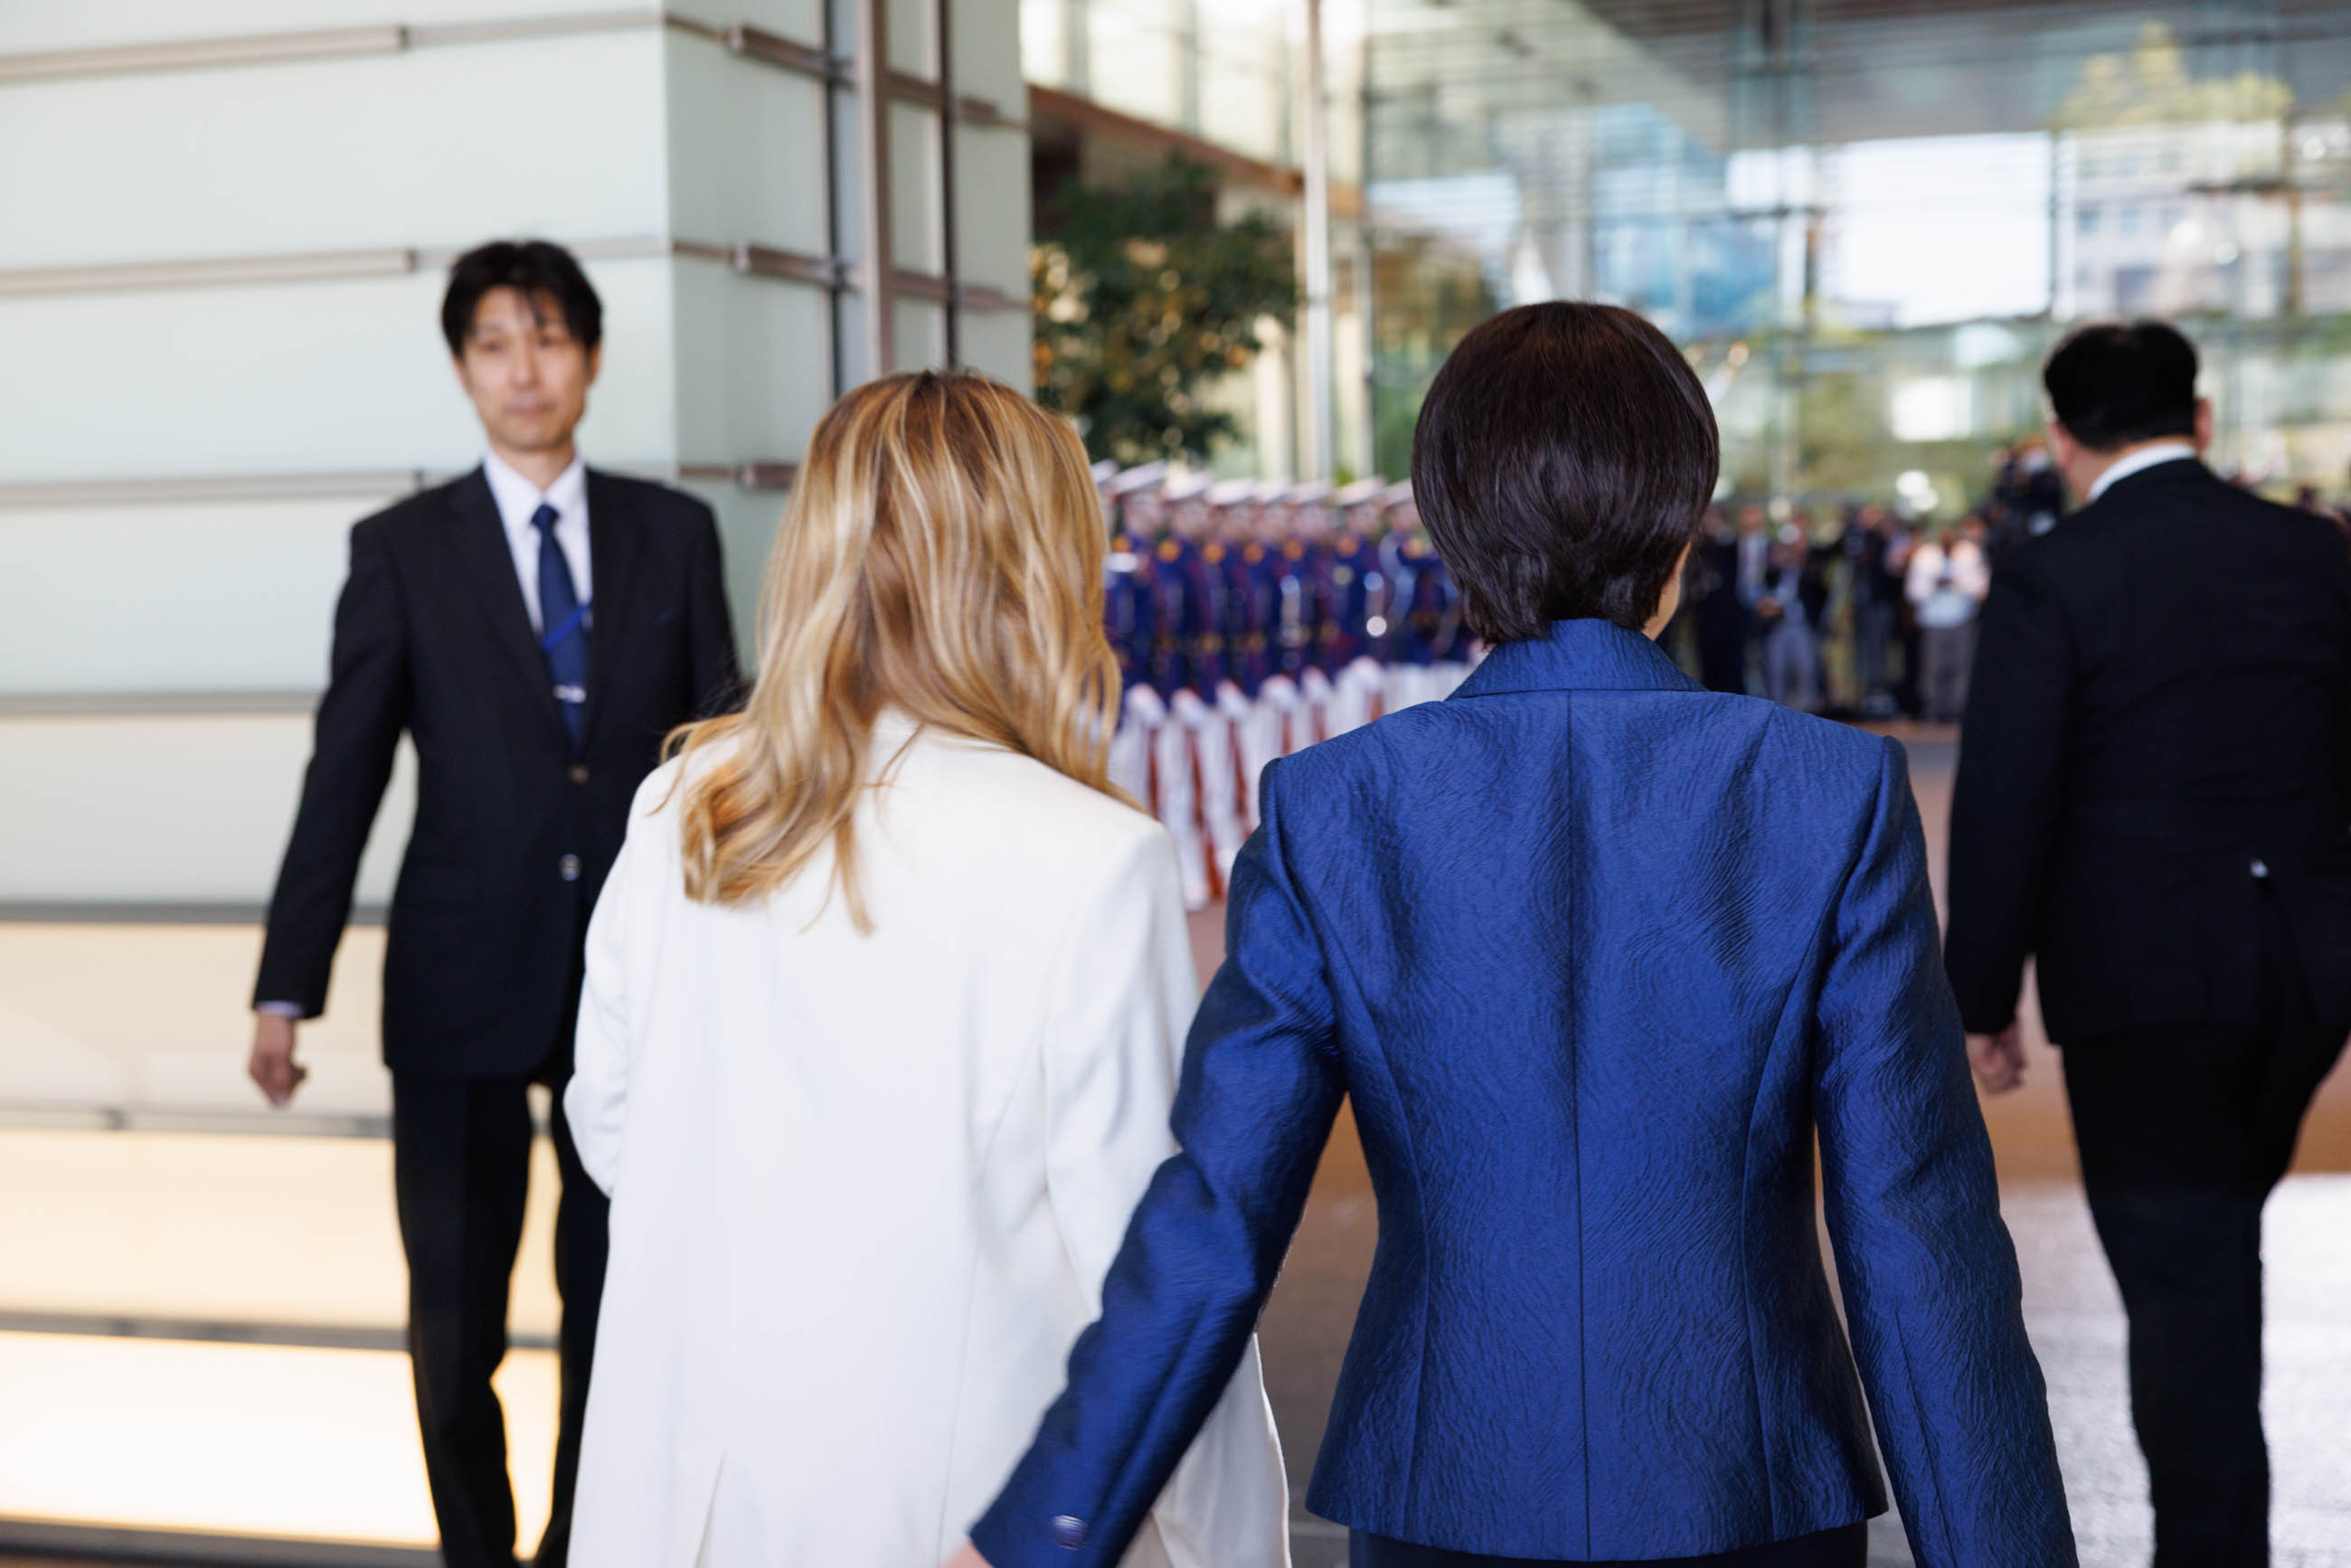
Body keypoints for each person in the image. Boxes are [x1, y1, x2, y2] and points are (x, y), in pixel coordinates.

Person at [962, 302, 2073, 1568]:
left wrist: (1044, 1536)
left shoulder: (1335, 806)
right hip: (1750, 1486)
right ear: (1686, 525)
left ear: (1448, 534)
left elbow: (1214, 1217)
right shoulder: (1827, 792)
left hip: (1445, 1485)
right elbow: (1916, 1235)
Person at [562, 371, 1288, 1567]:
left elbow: (613, 1120)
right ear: (1039, 566)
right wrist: (1238, 1550)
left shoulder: (684, 802)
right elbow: (1157, 1284)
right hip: (959, 1512)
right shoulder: (1093, 859)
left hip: (677, 1497)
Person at [248, 239, 740, 1568]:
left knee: (615, 1300)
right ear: (463, 367)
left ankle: (588, 1541)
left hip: (629, 984)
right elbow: (343, 769)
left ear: (588, 355)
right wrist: (287, 983)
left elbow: (723, 755)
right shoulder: (404, 549)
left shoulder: (675, 533)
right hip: (460, 981)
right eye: (494, 345)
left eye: (549, 339)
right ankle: (478, 1550)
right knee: (455, 1317)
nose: (525, 371)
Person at [1946, 319, 2351, 1568]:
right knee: (2210, 1248)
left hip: (2144, 985)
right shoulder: (2316, 552)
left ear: (2065, 442)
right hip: (2307, 973)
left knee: (2181, 1281)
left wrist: (1982, 995)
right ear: (2205, 419)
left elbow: (2011, 794)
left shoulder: (2057, 574)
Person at [1904, 516, 1990, 723]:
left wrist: (1957, 582)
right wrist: (1934, 583)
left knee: (1961, 667)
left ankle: (1958, 708)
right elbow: (1913, 591)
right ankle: (1934, 708)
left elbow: (1981, 588)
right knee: (1934, 667)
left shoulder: (1969, 553)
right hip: (1934, 621)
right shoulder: (1925, 556)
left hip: (1961, 618)